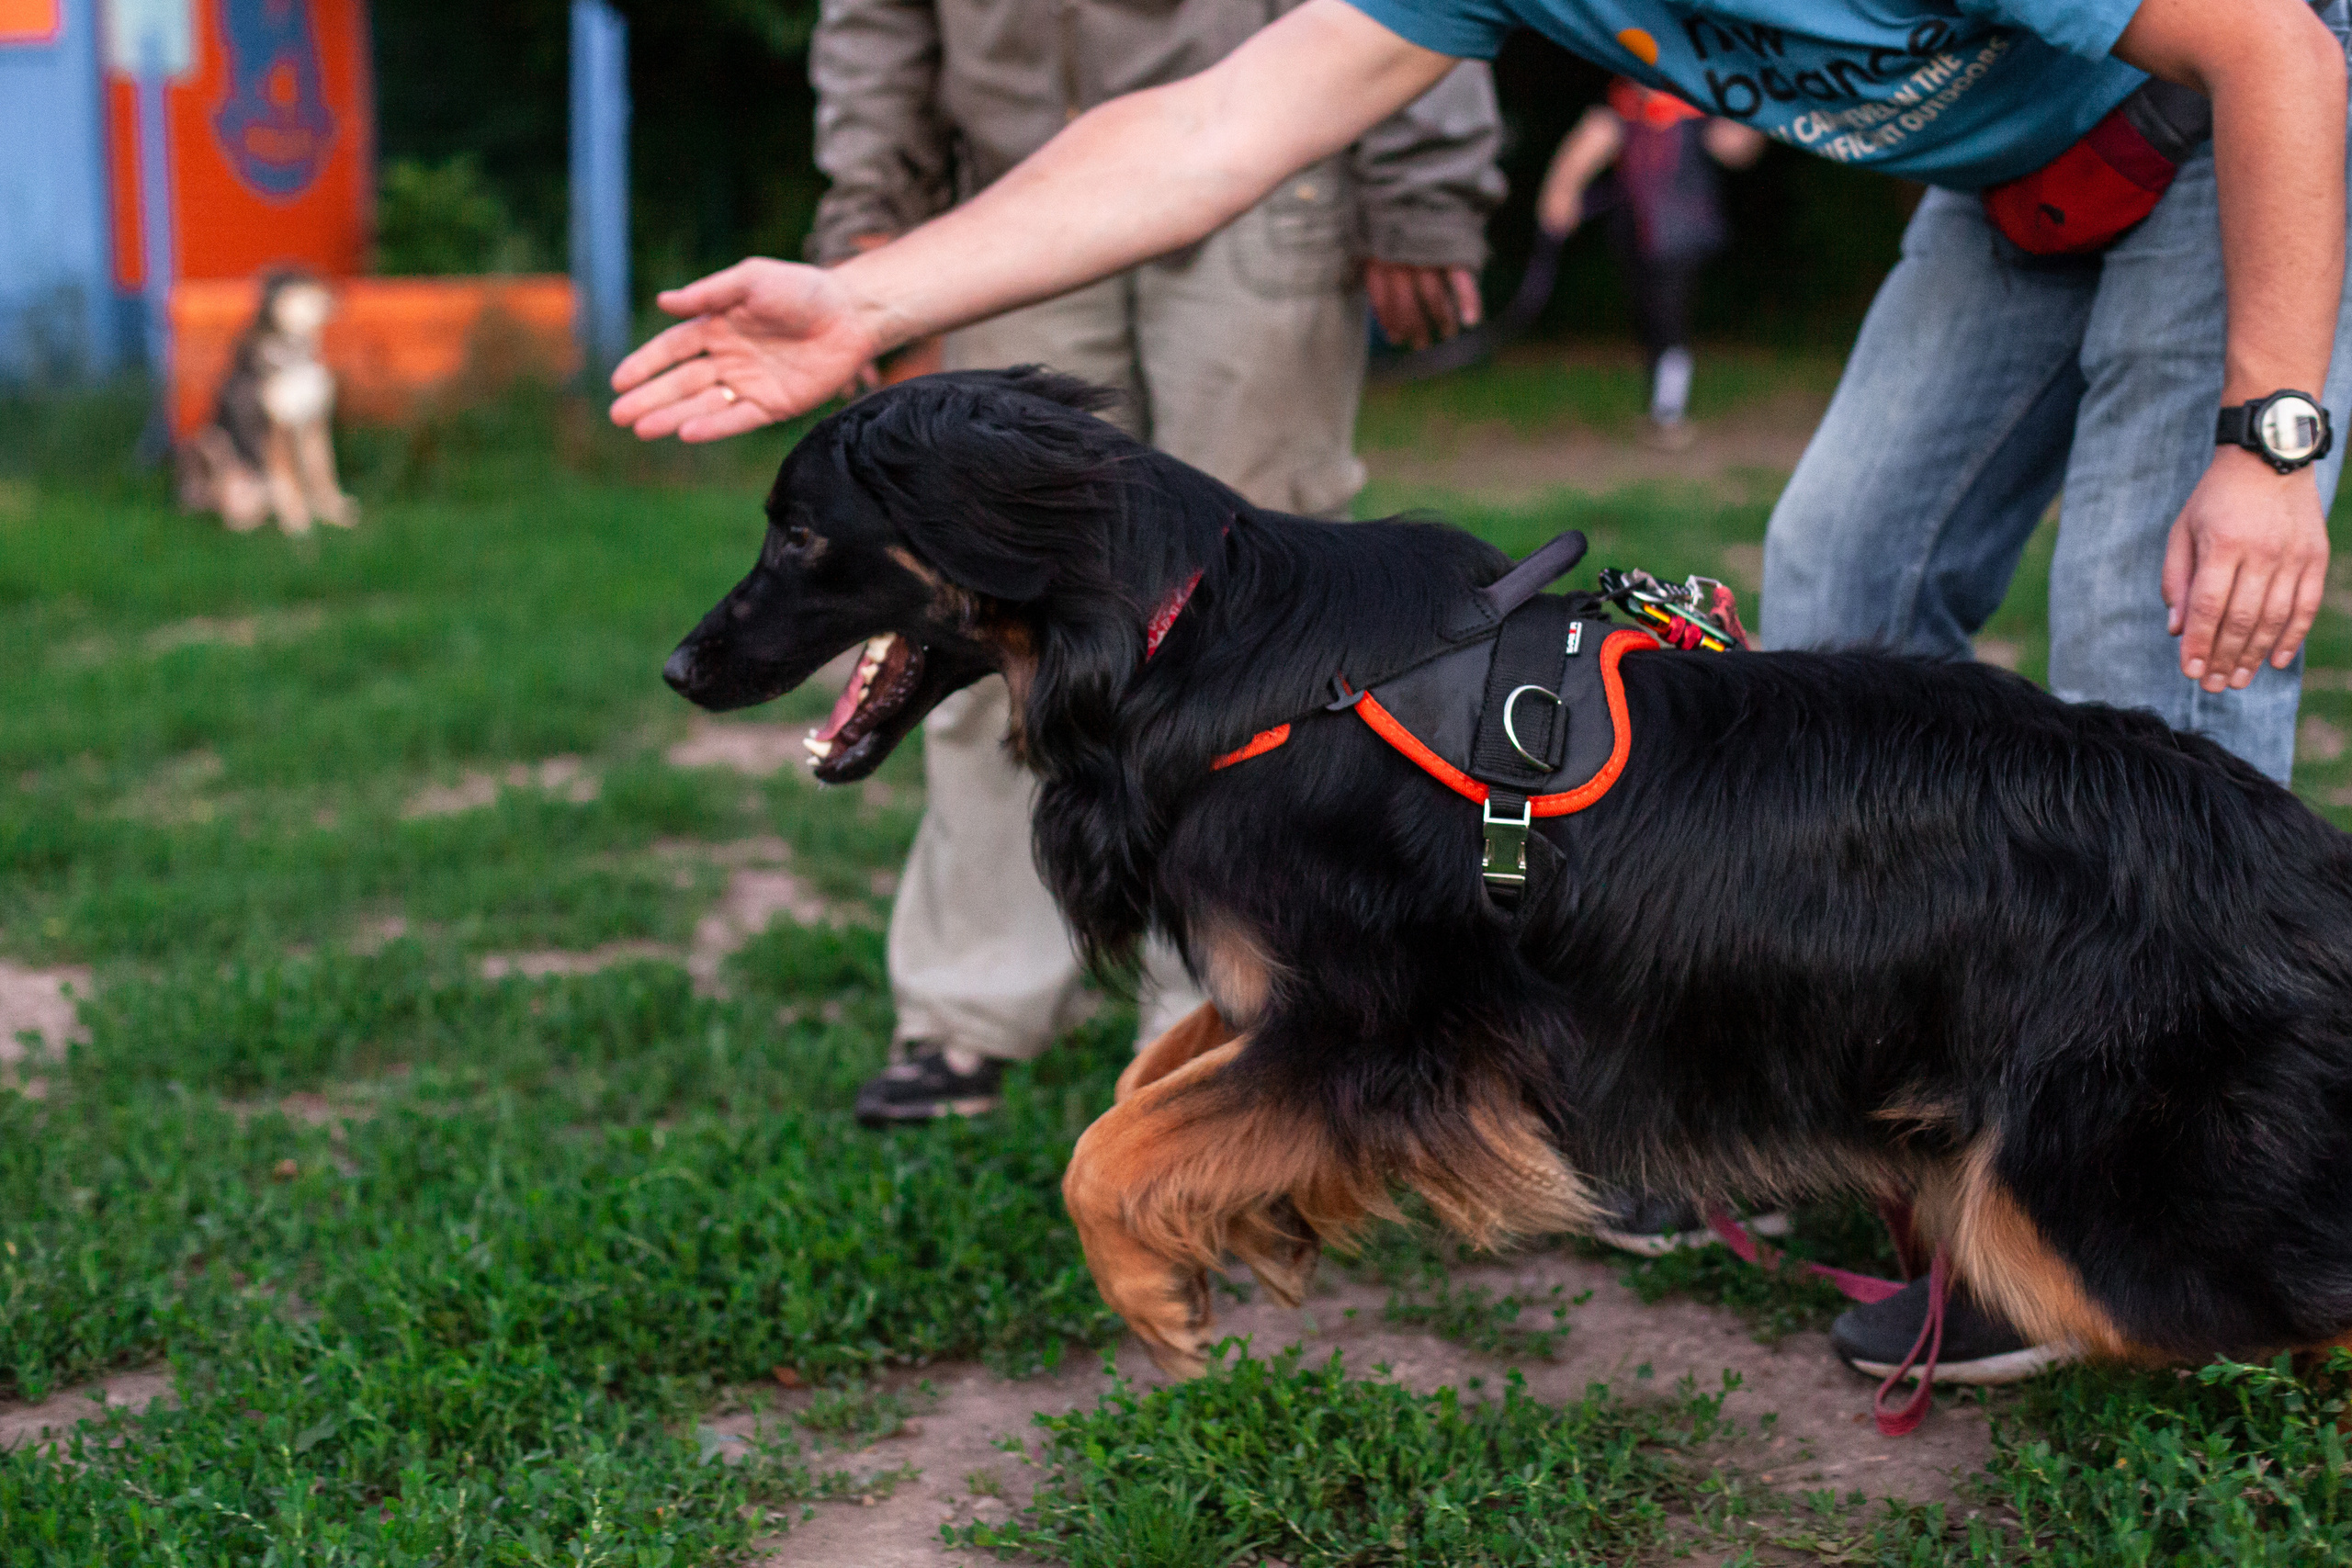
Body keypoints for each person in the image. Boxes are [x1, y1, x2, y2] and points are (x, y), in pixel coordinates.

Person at [612, 0, 2352, 1391]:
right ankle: (1796, 1091)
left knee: (2158, 627)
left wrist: (2271, 444)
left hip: (2243, 130)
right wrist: (864, 291)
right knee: (1837, 579)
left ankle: (2189, 1160)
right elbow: (1212, 125)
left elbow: (2275, 44)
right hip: (2026, 173)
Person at [801, 0, 1507, 1127]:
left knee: (1261, 639)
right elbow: (875, 15)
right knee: (974, 617)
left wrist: (1425, 190)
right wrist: (873, 222)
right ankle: (968, 1010)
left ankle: (1231, 1014)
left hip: (1268, 188)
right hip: (1009, 201)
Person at [1535, 80, 1765, 445]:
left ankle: (1668, 412)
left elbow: (1736, 147)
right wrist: (1561, 192)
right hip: (1636, 229)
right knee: (1649, 317)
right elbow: (1591, 140)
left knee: (1670, 316)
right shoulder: (1622, 101)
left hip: (1686, 227)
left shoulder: (1697, 99)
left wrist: (1751, 112)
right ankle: (1660, 405)